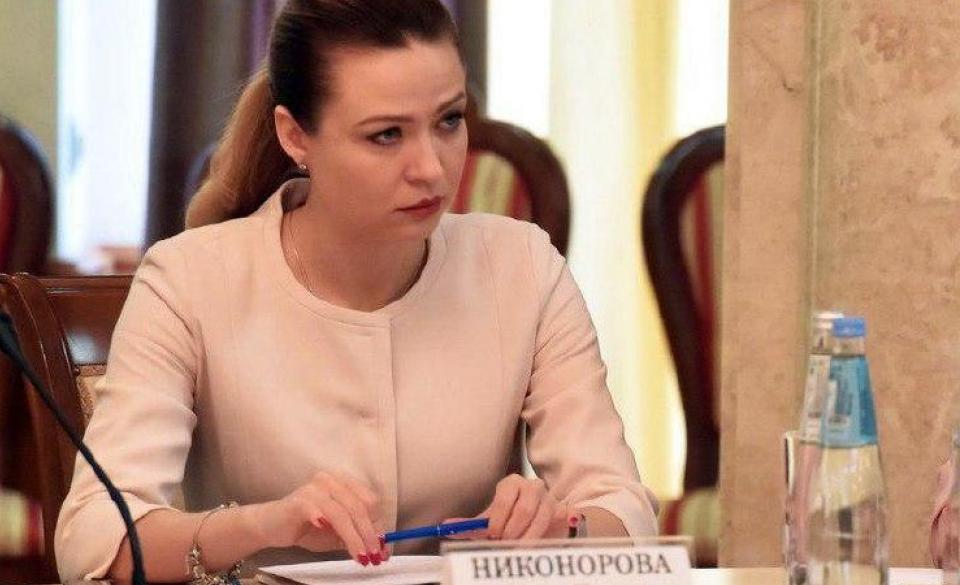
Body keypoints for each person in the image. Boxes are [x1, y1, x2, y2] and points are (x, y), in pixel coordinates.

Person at [55, 1, 658, 583]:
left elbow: (624, 512)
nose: (432, 168)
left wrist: (563, 529)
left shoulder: (523, 266)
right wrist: (263, 523)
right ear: (295, 136)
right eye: (386, 135)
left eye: (449, 121)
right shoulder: (188, 279)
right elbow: (94, 536)